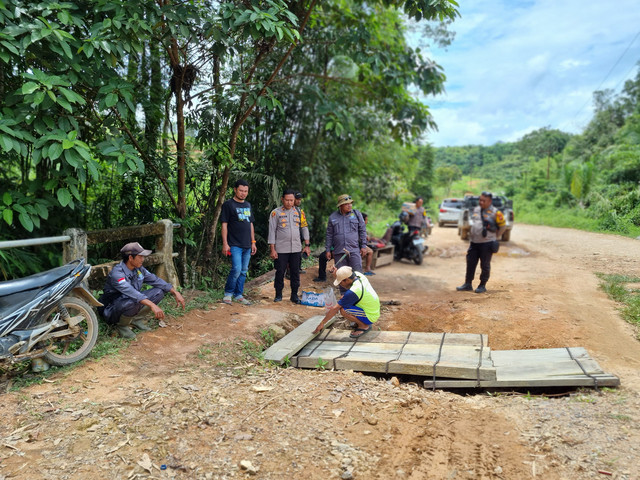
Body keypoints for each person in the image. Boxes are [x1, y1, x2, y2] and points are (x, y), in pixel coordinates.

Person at [98, 242, 186, 338]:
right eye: (140, 256)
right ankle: (122, 326)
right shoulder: (117, 273)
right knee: (133, 299)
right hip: (111, 310)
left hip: (129, 302)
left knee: (158, 292)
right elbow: (132, 293)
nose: (143, 259)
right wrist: (152, 305)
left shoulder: (139, 269)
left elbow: (155, 280)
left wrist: (175, 292)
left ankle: (136, 320)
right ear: (131, 258)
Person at [456, 191, 506, 294]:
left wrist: (494, 236)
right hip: (474, 242)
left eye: (484, 200)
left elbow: (503, 227)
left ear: (490, 201)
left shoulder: (496, 212)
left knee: (485, 265)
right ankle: (468, 284)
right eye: (480, 200)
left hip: (487, 243)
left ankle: (482, 285)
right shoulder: (476, 209)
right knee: (470, 263)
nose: (481, 202)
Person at [313, 266, 380, 339]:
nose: (340, 284)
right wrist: (337, 275)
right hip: (374, 308)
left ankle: (364, 326)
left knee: (343, 310)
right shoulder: (358, 275)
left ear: (347, 280)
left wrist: (322, 323)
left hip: (371, 315)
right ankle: (362, 321)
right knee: (344, 299)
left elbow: (335, 308)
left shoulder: (353, 291)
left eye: (341, 282)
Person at [269, 189, 311, 303]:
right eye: (287, 200)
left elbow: (304, 228)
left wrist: (307, 245)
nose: (289, 202)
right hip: (281, 249)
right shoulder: (275, 213)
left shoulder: (299, 212)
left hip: (296, 248)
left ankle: (294, 295)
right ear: (282, 199)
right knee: (280, 272)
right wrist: (272, 249)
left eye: (291, 200)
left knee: (295, 272)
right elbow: (272, 231)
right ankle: (278, 295)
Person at [221, 179, 257, 305]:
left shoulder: (247, 205)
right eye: (241, 190)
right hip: (234, 244)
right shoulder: (228, 205)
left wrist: (253, 242)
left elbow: (250, 224)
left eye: (245, 191)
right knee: (236, 269)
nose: (243, 193)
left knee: (243, 270)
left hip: (247, 244)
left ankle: (239, 294)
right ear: (235, 189)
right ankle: (228, 293)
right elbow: (224, 225)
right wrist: (225, 243)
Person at [325, 194, 367, 275]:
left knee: (358, 275)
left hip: (354, 250)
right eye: (346, 204)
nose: (349, 205)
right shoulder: (333, 217)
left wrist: (363, 246)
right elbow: (329, 235)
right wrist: (328, 250)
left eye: (350, 203)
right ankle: (344, 288)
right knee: (342, 276)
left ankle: (358, 288)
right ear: (340, 205)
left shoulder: (356, 214)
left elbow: (362, 230)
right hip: (339, 252)